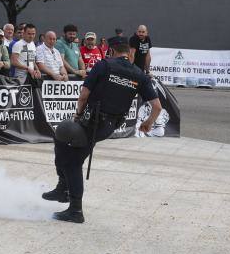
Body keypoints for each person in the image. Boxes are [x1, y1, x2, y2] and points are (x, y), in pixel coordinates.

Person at [43, 38, 161, 223]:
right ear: (129, 53)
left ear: (111, 51)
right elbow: (157, 106)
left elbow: (83, 96)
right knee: (65, 141)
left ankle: (74, 208)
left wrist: (77, 116)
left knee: (70, 156)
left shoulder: (104, 65)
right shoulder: (139, 74)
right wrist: (148, 123)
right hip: (109, 127)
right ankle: (63, 187)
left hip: (91, 123)